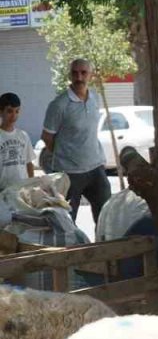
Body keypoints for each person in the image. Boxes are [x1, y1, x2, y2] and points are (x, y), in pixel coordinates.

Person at [42, 59, 111, 223]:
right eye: (75, 73)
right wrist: (66, 156)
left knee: (105, 216)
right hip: (69, 173)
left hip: (96, 168)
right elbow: (47, 137)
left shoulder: (95, 98)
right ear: (70, 75)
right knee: (66, 221)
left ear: (90, 75)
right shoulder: (59, 105)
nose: (79, 77)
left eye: (83, 73)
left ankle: (101, 247)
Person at [0, 93, 36, 191]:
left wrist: (31, 185)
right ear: (1, 111)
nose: (14, 116)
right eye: (9, 111)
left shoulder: (23, 136)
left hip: (22, 190)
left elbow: (29, 164)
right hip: (3, 191)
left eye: (17, 111)